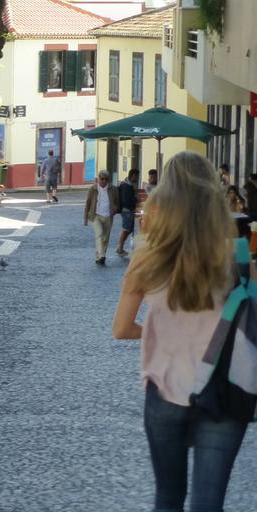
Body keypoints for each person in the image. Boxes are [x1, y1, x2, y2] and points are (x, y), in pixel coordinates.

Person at [113, 151, 247, 512]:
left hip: (166, 390)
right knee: (208, 503)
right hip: (225, 389)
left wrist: (158, 332)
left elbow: (121, 329)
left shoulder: (148, 258)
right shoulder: (239, 257)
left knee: (168, 497)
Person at [84, 169, 118, 265]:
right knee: (99, 234)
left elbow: (116, 201)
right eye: (102, 179)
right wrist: (85, 218)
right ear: (98, 179)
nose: (104, 181)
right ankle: (102, 255)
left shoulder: (113, 189)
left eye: (106, 179)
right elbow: (88, 203)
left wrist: (115, 208)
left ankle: (100, 256)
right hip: (96, 216)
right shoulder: (93, 189)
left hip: (108, 216)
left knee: (105, 238)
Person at [115, 168, 140, 258]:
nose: (137, 178)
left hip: (129, 210)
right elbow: (126, 200)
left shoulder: (130, 184)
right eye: (137, 176)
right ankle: (119, 248)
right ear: (133, 175)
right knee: (126, 229)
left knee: (128, 229)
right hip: (127, 210)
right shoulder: (126, 186)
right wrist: (135, 199)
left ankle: (120, 247)